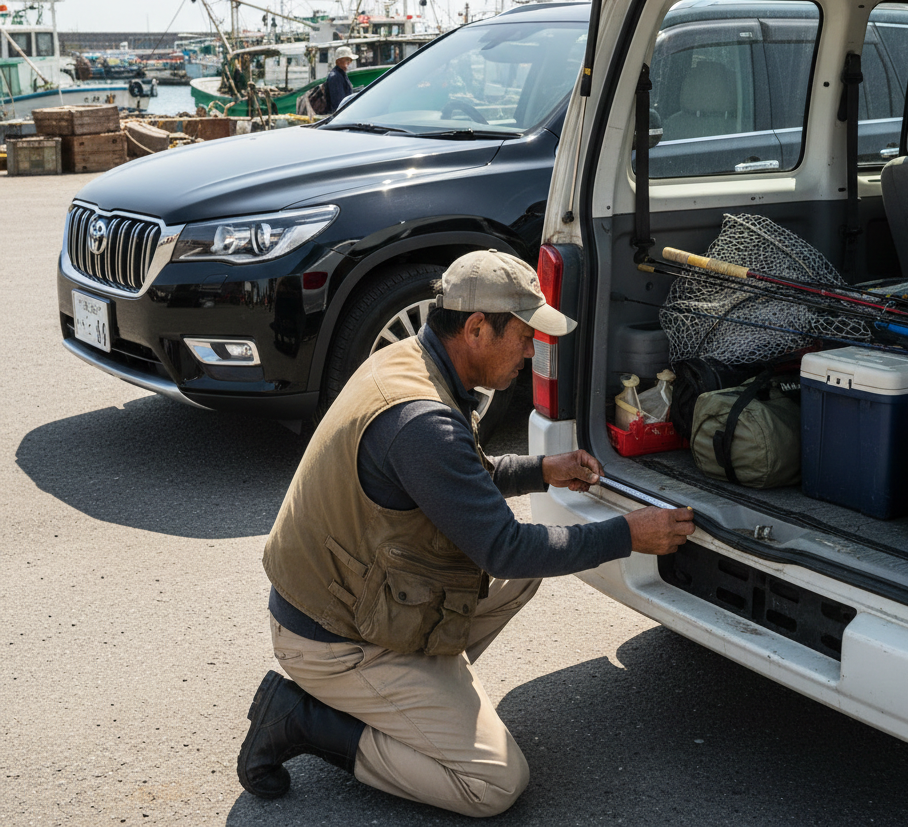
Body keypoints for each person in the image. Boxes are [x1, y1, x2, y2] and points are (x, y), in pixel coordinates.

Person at [237, 250, 696, 816]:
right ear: (477, 328)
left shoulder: (411, 363)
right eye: (525, 335)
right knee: (494, 785)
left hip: (344, 599)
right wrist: (629, 533)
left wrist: (540, 470)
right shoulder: (422, 420)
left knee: (516, 581)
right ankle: (304, 719)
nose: (533, 350)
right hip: (334, 640)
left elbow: (456, 480)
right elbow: (504, 547)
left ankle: (411, 700)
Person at [326, 45, 356, 111]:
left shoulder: (341, 74)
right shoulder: (335, 77)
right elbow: (339, 104)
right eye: (347, 59)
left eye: (351, 60)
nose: (349, 62)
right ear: (338, 61)